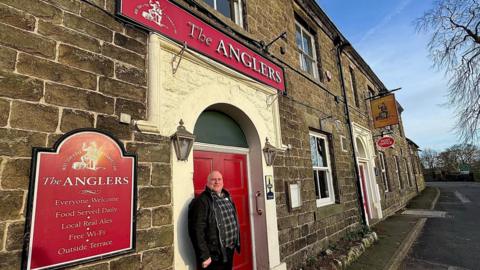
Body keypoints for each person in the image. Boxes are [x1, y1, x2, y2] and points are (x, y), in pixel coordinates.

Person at [188, 171, 240, 269]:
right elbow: (197, 230)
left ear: (223, 182)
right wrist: (204, 256)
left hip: (229, 250)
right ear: (207, 182)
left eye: (219, 179)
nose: (217, 182)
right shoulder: (202, 201)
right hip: (214, 255)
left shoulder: (227, 196)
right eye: (213, 179)